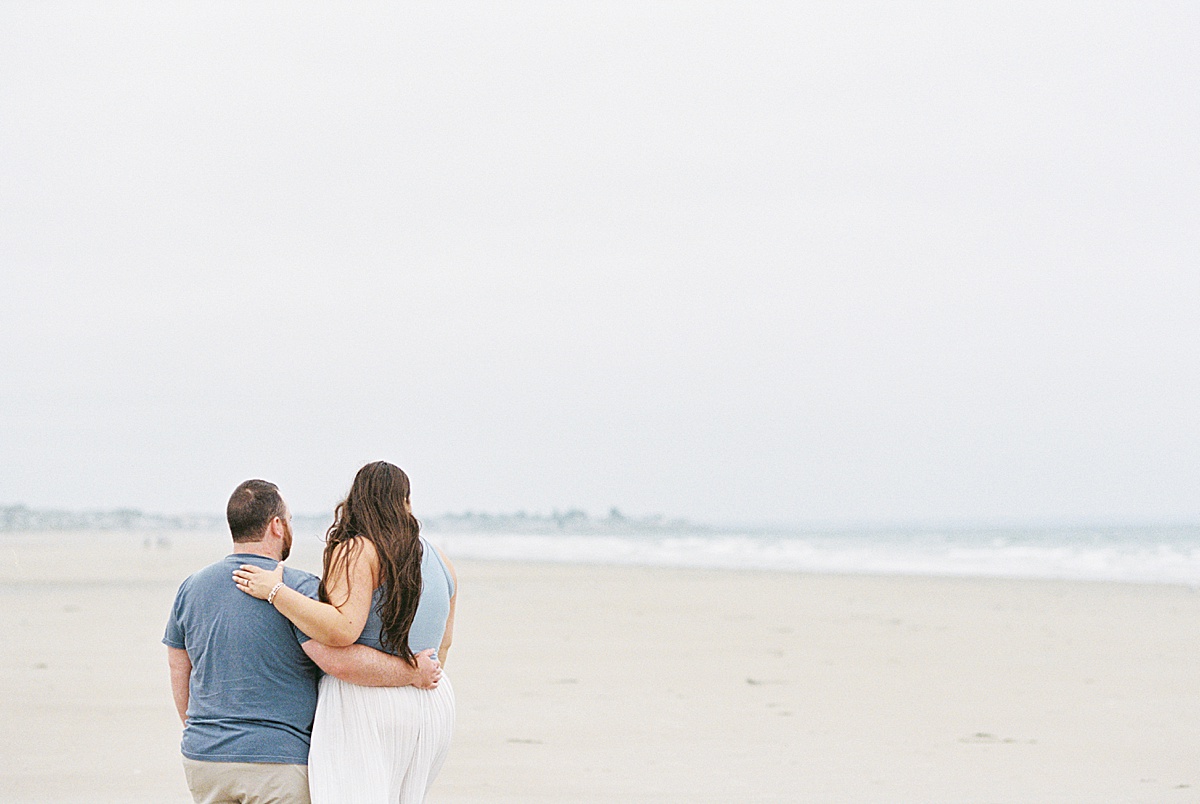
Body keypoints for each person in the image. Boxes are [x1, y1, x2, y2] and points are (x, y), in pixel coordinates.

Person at [165, 479, 442, 804]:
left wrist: (203, 733)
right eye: (291, 519)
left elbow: (178, 667)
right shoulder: (299, 589)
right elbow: (339, 661)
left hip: (203, 758)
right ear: (277, 526)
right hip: (277, 761)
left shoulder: (191, 588)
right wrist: (412, 672)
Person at [234, 462, 457, 804]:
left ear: (358, 501)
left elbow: (342, 630)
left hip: (369, 702)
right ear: (406, 502)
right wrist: (414, 676)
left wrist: (275, 592)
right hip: (433, 704)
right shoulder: (440, 558)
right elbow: (443, 642)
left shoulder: (357, 549)